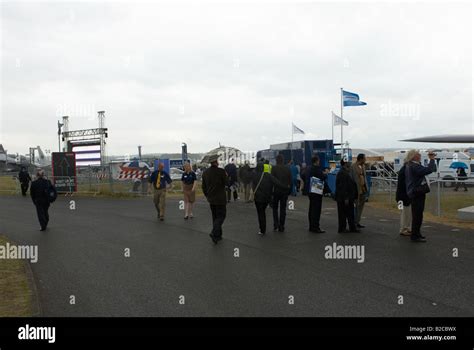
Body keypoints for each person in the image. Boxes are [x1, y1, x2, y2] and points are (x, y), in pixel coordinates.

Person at [405, 150, 437, 242]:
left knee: (418, 214)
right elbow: (428, 170)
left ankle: (417, 233)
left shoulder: (411, 165)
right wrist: (431, 159)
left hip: (416, 192)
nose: (420, 156)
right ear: (413, 156)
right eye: (418, 155)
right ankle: (415, 235)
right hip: (417, 193)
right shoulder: (414, 166)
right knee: (417, 215)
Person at [252, 163, 288, 235]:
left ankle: (262, 230)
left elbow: (252, 185)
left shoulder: (254, 176)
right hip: (267, 197)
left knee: (261, 213)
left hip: (258, 198)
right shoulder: (268, 175)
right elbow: (277, 183)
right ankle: (267, 227)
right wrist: (285, 187)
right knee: (264, 211)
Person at [202, 155, 228, 244]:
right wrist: (226, 176)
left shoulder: (205, 173)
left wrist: (207, 196)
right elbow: (226, 183)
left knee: (215, 217)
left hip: (211, 199)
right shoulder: (221, 171)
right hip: (220, 198)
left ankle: (218, 236)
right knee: (221, 216)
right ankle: (214, 232)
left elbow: (203, 187)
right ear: (216, 162)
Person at [305, 155, 328, 233]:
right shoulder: (316, 169)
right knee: (316, 210)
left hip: (310, 190)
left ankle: (311, 226)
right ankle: (316, 227)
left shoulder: (308, 168)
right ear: (317, 161)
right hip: (316, 191)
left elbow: (303, 175)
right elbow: (322, 177)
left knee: (311, 209)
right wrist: (326, 173)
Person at [335, 160, 359, 233]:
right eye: (348, 162)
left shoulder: (344, 172)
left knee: (348, 213)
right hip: (344, 197)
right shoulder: (343, 173)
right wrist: (346, 198)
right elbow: (343, 187)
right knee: (344, 213)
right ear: (345, 164)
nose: (350, 163)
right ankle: (343, 228)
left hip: (345, 197)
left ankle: (350, 227)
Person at [271, 154, 292, 232]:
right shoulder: (287, 169)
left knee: (275, 208)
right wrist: (289, 191)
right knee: (283, 209)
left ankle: (275, 224)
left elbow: (272, 180)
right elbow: (291, 180)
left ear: (276, 160)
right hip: (284, 191)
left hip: (276, 191)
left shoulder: (274, 168)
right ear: (283, 160)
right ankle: (281, 226)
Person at [350, 153, 368, 229]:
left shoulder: (363, 166)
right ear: (360, 159)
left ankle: (357, 221)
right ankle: (354, 222)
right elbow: (352, 179)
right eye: (364, 158)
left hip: (363, 189)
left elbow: (364, 177)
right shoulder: (353, 167)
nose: (365, 160)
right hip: (356, 190)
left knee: (361, 207)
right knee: (356, 206)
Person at [396, 156, 412, 236]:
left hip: (400, 196)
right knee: (405, 214)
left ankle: (407, 228)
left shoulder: (403, 169)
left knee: (405, 213)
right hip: (403, 197)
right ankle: (403, 229)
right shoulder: (405, 171)